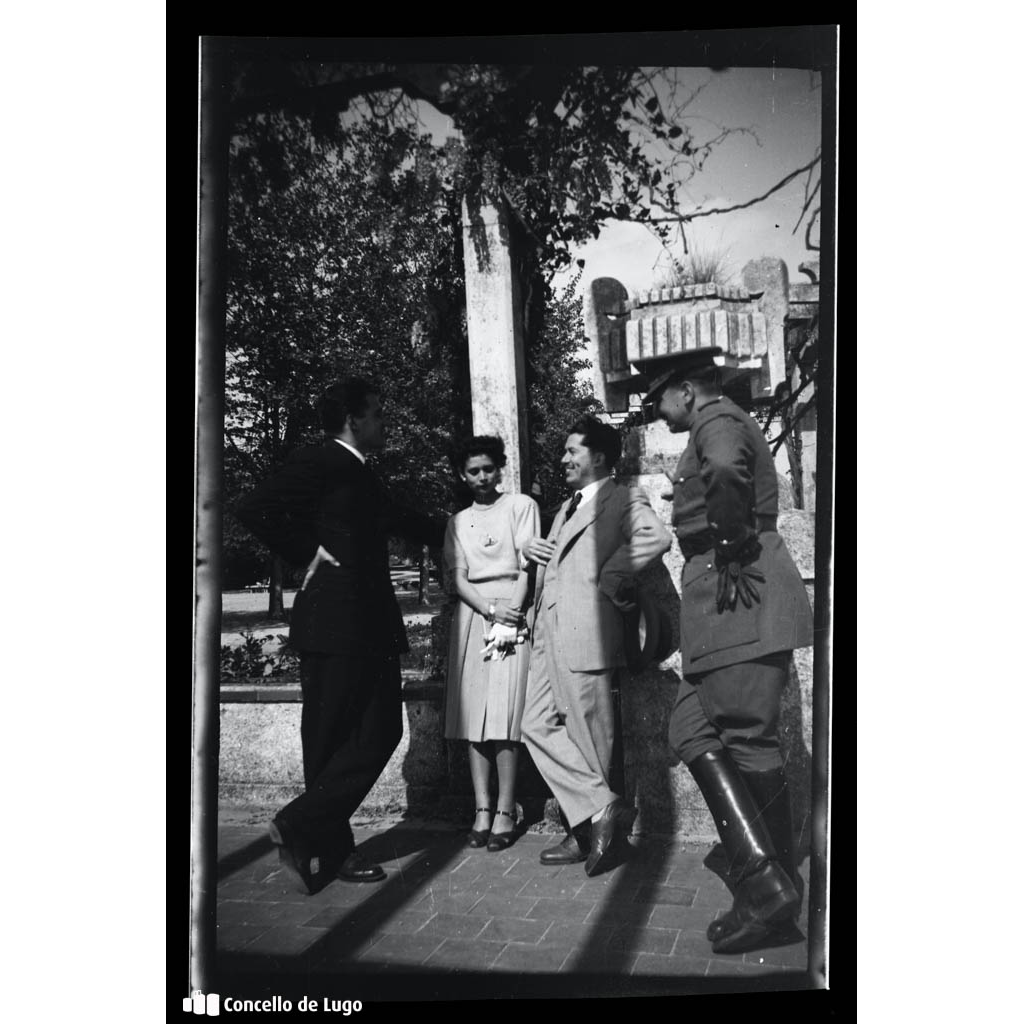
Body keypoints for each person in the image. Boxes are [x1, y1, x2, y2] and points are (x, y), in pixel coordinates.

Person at [234, 377, 445, 894]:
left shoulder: (360, 473)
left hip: (368, 626)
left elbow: (405, 521)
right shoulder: (324, 460)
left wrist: (479, 523)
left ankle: (301, 823)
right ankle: (329, 850)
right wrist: (307, 553)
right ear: (354, 418)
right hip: (333, 624)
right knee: (328, 742)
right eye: (376, 412)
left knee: (379, 733)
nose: (384, 421)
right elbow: (254, 507)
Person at [640, 347, 814, 955]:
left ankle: (772, 892)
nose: (654, 411)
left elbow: (724, 471)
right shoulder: (721, 419)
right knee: (691, 728)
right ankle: (771, 878)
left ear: (686, 390)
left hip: (734, 595)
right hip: (723, 606)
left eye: (657, 397)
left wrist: (730, 539)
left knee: (746, 737)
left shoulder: (715, 422)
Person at [520, 415, 672, 876]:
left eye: (572, 451)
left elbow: (655, 536)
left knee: (592, 739)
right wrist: (533, 553)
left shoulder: (620, 496)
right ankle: (602, 808)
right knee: (533, 724)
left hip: (587, 633)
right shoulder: (566, 507)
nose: (563, 458)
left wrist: (612, 575)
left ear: (599, 457)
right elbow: (558, 562)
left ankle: (590, 834)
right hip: (548, 633)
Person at [442, 436, 540, 851]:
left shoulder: (521, 506)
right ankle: (481, 809)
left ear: (499, 468)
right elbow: (458, 578)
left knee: (504, 716)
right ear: (463, 476)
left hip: (512, 615)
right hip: (474, 616)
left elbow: (528, 566)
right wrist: (487, 611)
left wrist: (510, 615)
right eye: (473, 471)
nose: (482, 477)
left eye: (488, 469)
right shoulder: (458, 521)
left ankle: (505, 808)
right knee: (473, 720)